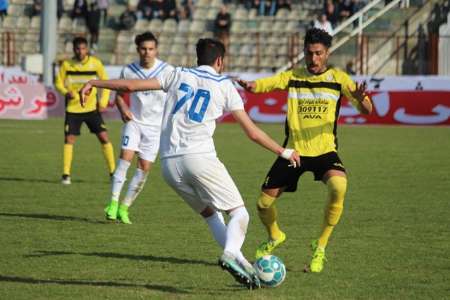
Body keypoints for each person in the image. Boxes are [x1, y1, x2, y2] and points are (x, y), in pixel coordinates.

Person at [80, 38, 300, 289]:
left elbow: (129, 87)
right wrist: (284, 151)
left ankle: (245, 266)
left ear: (198, 58)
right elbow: (252, 133)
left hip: (169, 166)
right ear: (220, 61)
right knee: (239, 213)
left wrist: (94, 82)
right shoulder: (224, 85)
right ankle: (230, 254)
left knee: (210, 214)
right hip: (200, 158)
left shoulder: (175, 73)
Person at [237, 28, 372, 273]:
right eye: (309, 54)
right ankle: (275, 236)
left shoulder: (339, 79)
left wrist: (361, 98)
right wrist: (252, 85)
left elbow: (367, 110)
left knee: (339, 186)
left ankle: (320, 246)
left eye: (319, 54)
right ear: (304, 53)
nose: (314, 59)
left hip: (325, 152)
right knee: (263, 204)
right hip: (294, 152)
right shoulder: (294, 76)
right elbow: (269, 83)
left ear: (327, 53)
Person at [104, 32, 174, 224]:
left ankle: (125, 208)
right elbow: (118, 95)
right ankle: (112, 203)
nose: (147, 52)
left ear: (156, 50)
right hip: (134, 123)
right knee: (125, 159)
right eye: (143, 49)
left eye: (151, 49)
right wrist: (123, 108)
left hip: (155, 129)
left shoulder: (167, 71)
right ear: (137, 50)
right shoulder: (129, 70)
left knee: (143, 169)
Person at [55, 36, 115, 185]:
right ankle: (66, 174)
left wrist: (103, 102)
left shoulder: (95, 64)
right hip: (73, 109)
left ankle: (113, 173)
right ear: (73, 49)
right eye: (77, 49)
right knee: (69, 139)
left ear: (87, 49)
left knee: (104, 137)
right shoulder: (67, 65)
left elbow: (105, 83)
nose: (80, 51)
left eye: (83, 48)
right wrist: (65, 91)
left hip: (92, 109)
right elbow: (58, 82)